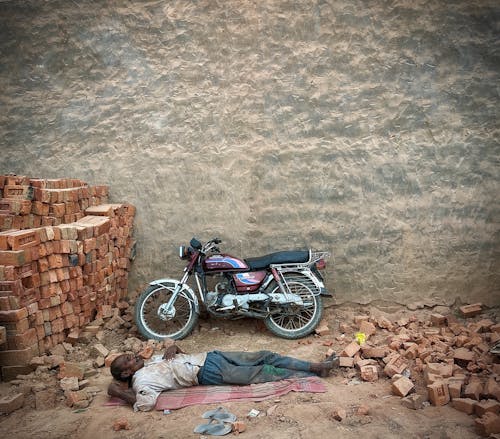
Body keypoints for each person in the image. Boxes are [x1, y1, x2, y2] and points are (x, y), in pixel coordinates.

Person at [107, 344, 339, 411]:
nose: (132, 355)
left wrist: (174, 347)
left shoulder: (153, 361)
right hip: (208, 373)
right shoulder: (141, 382)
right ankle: (311, 373)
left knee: (264, 355)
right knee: (263, 372)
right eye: (127, 360)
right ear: (126, 373)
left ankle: (316, 366)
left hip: (211, 357)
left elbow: (176, 354)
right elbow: (146, 403)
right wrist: (117, 391)